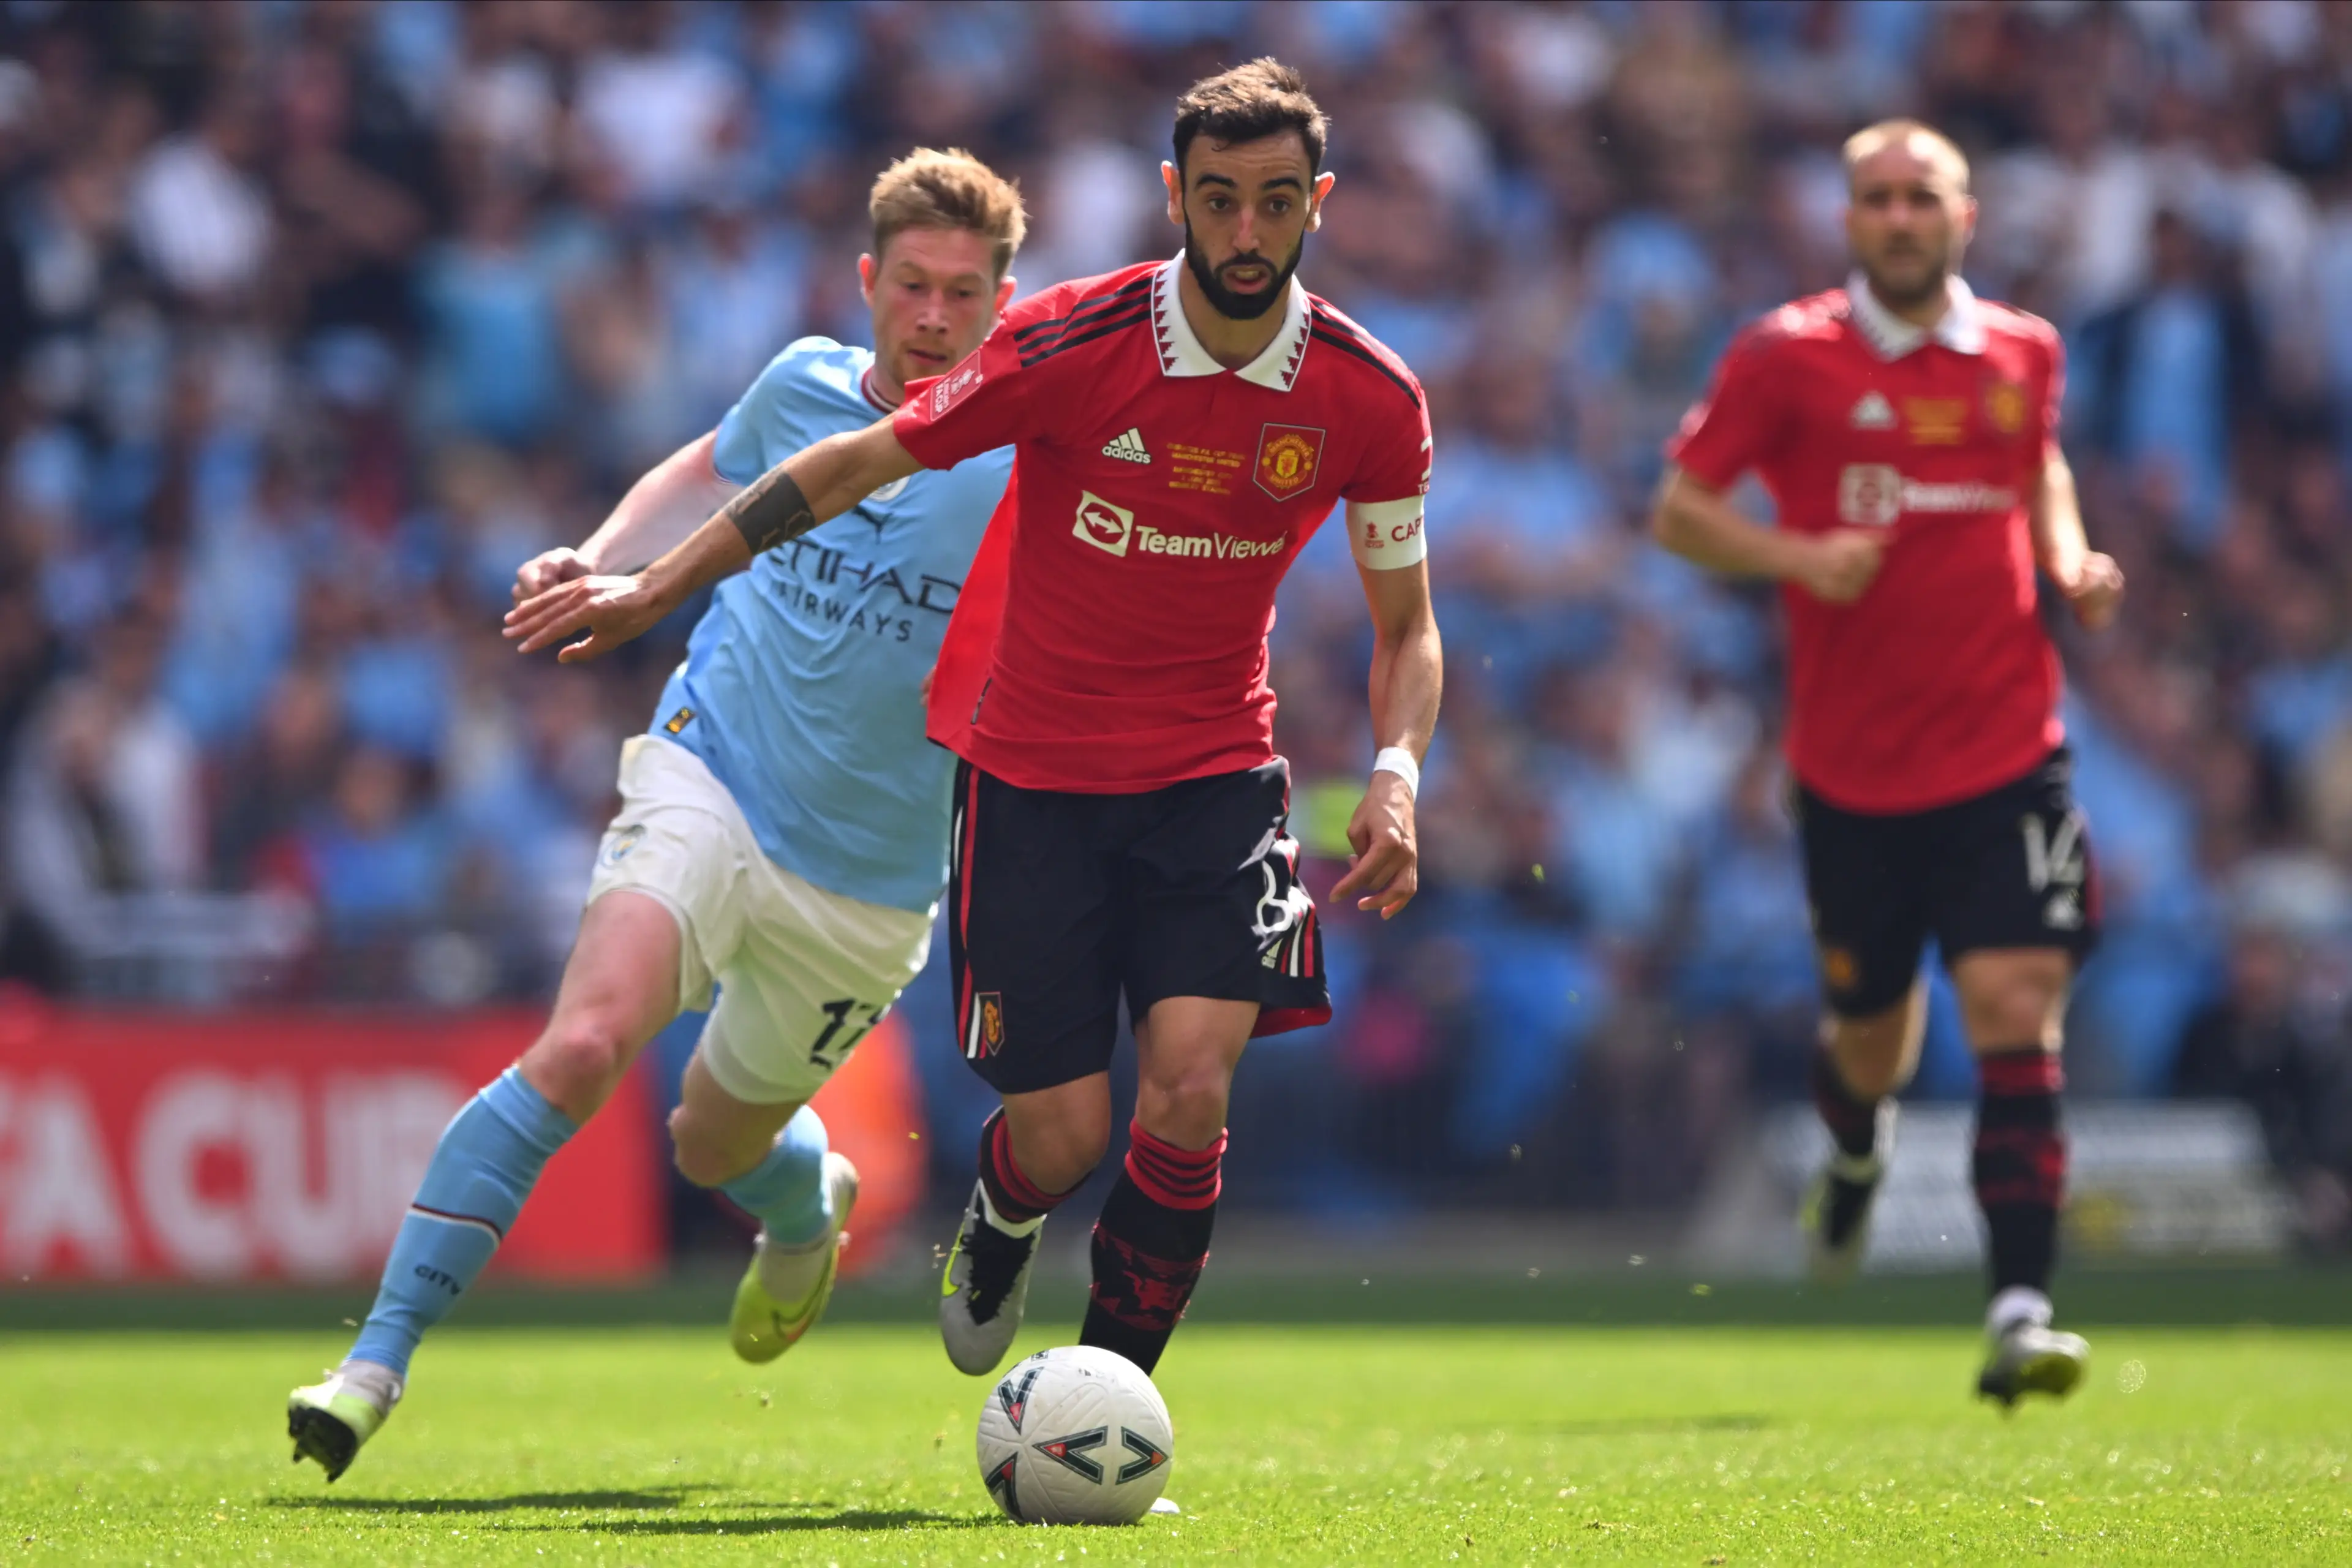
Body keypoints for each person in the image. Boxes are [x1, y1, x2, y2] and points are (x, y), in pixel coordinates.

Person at [505, 59, 1442, 1381]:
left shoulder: (1369, 397)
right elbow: (849, 460)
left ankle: (1101, 1405)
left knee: (1186, 1093)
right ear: (1176, 194)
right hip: (1032, 781)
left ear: (1318, 204)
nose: (1245, 232)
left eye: (1276, 202)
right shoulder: (1072, 341)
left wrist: (1397, 768)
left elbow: (1410, 625)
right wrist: (654, 587)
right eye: (1219, 200)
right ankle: (1002, 1214)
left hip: (1216, 775)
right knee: (1060, 1136)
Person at [287, 149, 1028, 1480]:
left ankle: (807, 1208)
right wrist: (603, 549)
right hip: (712, 771)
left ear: (1001, 303)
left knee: (711, 1139)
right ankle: (369, 1365)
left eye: (960, 295)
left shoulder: (1028, 463)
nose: (930, 316)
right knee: (582, 1041)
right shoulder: (801, 384)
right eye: (910, 285)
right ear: (868, 282)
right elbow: (707, 462)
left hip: (866, 883)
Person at [1651, 119, 2127, 1408]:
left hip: (2007, 751)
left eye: (1924, 197)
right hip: (1854, 776)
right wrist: (1799, 559)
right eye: (1879, 199)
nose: (1902, 218)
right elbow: (1680, 507)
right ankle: (1855, 1149)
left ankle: (2019, 1311)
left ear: (1965, 217)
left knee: (2018, 1006)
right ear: (1850, 221)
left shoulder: (2024, 348)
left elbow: (2039, 465)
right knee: (1873, 1045)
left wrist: (2069, 556)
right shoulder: (1785, 355)